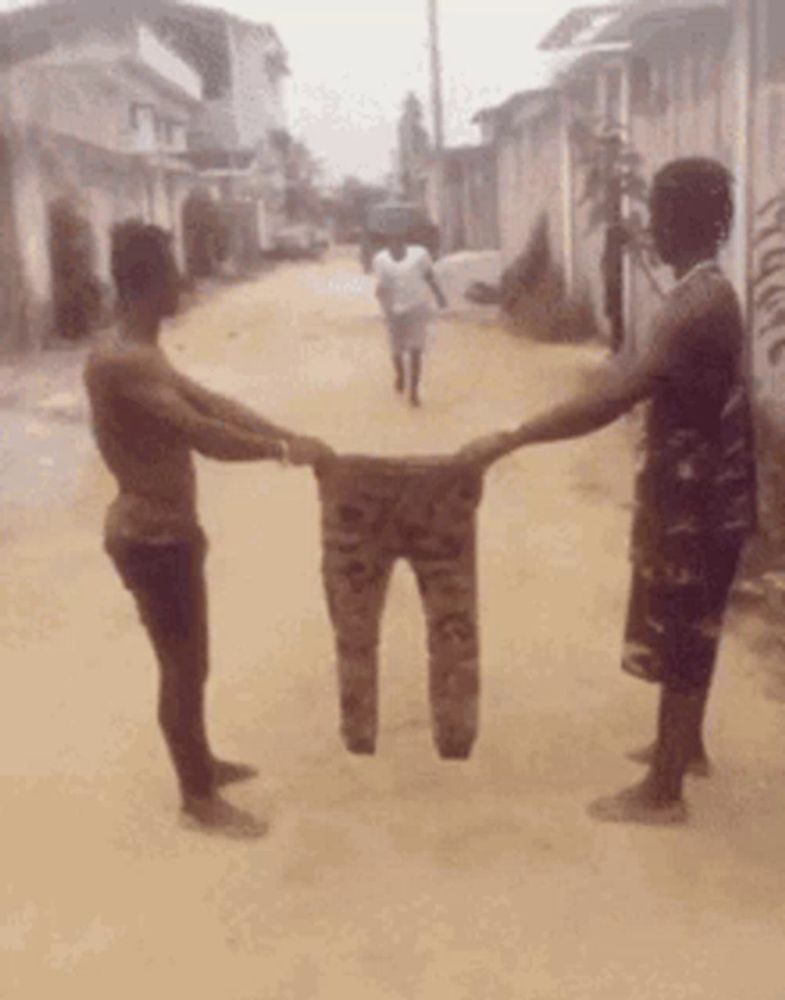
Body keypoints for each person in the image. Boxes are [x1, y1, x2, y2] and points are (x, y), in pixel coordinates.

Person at [458, 158, 757, 825]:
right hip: (694, 495)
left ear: (680, 219)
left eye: (656, 211)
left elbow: (616, 395)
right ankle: (685, 747)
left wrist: (510, 437)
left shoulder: (699, 305)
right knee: (689, 622)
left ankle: (662, 792)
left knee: (685, 630)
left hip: (700, 504)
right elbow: (634, 378)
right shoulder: (694, 292)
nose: (647, 223)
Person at [84, 221, 332, 839]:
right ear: (151, 283)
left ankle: (203, 765)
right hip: (151, 537)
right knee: (182, 667)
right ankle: (197, 800)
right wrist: (281, 451)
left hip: (166, 532)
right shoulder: (121, 361)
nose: (184, 284)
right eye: (173, 273)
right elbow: (205, 436)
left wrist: (290, 436)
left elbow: (213, 404)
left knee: (193, 664)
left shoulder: (141, 353)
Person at [372, 233, 448, 407]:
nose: (396, 244)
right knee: (396, 350)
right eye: (392, 241)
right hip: (393, 310)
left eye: (400, 240)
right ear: (387, 243)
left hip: (417, 306)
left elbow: (429, 276)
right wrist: (383, 302)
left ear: (405, 241)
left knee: (416, 350)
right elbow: (382, 285)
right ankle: (400, 374)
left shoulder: (420, 254)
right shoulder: (381, 260)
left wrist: (440, 296)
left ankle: (414, 391)